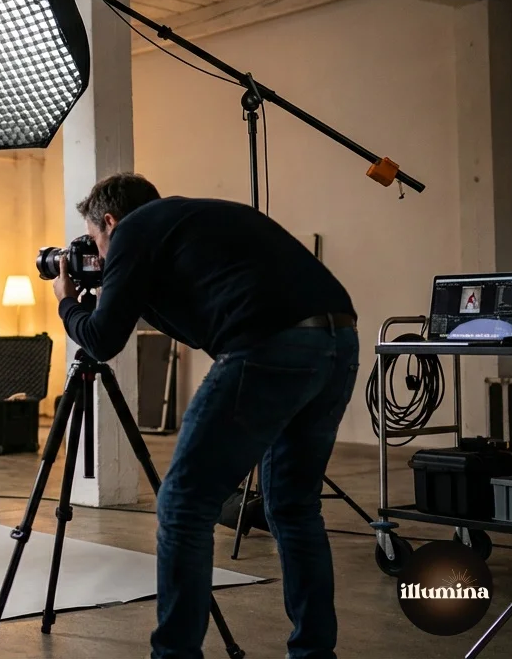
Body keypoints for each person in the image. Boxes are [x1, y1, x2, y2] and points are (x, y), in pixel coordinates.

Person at [52, 173, 357, 659]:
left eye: (95, 241)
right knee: (295, 509)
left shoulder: (132, 232)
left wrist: (67, 303)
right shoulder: (191, 218)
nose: (100, 255)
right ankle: (315, 653)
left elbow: (103, 340)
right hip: (338, 340)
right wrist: (127, 286)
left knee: (183, 504)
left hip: (266, 343)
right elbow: (194, 327)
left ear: (109, 220)